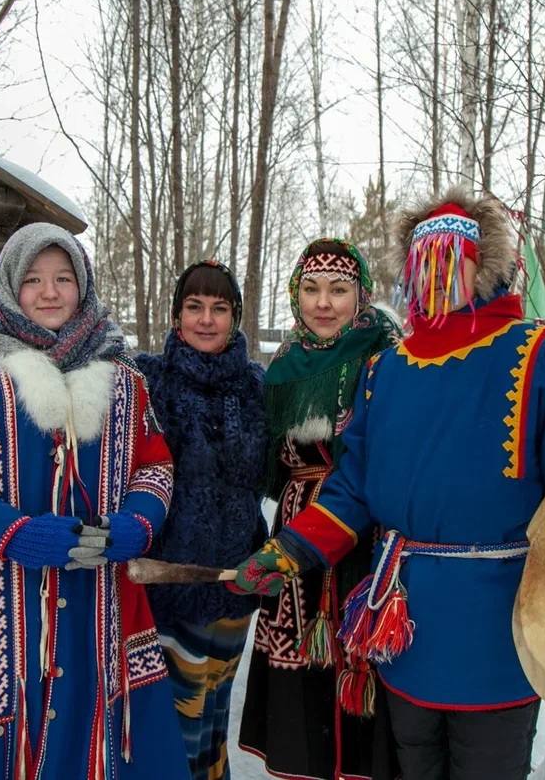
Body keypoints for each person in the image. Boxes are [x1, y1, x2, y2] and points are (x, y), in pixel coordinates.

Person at [231, 193, 545, 780]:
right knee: (411, 763)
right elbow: (353, 487)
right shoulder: (386, 369)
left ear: (483, 265)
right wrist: (290, 549)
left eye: (452, 261)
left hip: (500, 620)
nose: (436, 279)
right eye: (423, 263)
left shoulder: (544, 354)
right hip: (403, 620)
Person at [0, 224, 191, 780]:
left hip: (96, 597)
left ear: (84, 287)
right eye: (33, 280)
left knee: (93, 719)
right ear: (8, 286)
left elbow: (155, 465)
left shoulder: (123, 380)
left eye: (63, 279)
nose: (49, 293)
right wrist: (13, 533)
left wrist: (138, 524)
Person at [236, 239, 401, 780]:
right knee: (303, 666)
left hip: (367, 528)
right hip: (297, 526)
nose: (323, 303)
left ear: (362, 296)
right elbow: (272, 465)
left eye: (338, 290)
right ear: (295, 295)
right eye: (311, 289)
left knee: (364, 656)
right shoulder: (284, 365)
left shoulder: (388, 356)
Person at [133, 260, 267, 780]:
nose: (206, 320)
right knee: (175, 733)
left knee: (213, 725)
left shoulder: (257, 385)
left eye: (219, 308)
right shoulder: (147, 382)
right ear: (174, 315)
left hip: (235, 585)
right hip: (169, 589)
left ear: (235, 317)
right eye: (194, 307)